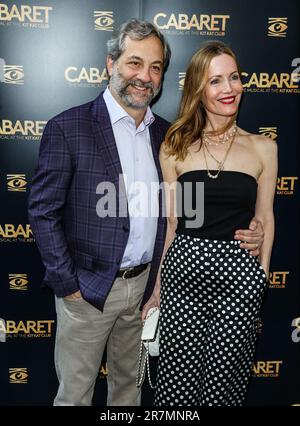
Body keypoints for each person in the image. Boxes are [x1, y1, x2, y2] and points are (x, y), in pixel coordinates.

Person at [28, 18, 264, 406]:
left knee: (129, 392)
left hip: (146, 291)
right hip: (86, 291)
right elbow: (42, 213)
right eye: (134, 63)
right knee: (75, 396)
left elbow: (191, 212)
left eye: (155, 67)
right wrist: (67, 284)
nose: (144, 76)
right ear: (111, 64)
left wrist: (250, 228)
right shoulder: (68, 127)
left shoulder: (170, 138)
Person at [142, 41, 277, 406]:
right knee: (176, 386)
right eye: (216, 81)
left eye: (234, 77)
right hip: (183, 276)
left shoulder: (263, 148)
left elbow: (265, 215)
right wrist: (156, 290)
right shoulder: (175, 146)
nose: (229, 88)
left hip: (238, 279)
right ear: (199, 90)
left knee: (222, 387)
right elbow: (172, 222)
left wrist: (260, 273)